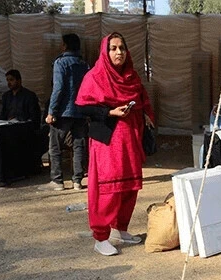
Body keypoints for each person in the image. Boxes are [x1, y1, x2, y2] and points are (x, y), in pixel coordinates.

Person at [76, 32, 154, 257]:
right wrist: (109, 111)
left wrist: (146, 114)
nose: (118, 52)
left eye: (122, 47)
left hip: (130, 138)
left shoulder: (132, 77)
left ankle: (120, 229)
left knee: (130, 188)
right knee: (109, 189)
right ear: (105, 51)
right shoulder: (95, 77)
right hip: (108, 142)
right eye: (113, 48)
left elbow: (143, 99)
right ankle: (101, 237)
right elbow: (82, 106)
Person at [41, 33, 89, 191]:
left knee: (55, 147)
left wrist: (51, 111)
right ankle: (77, 181)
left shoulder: (60, 62)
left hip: (63, 112)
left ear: (65, 46)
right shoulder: (84, 64)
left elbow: (59, 88)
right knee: (78, 146)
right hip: (81, 110)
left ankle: (57, 180)